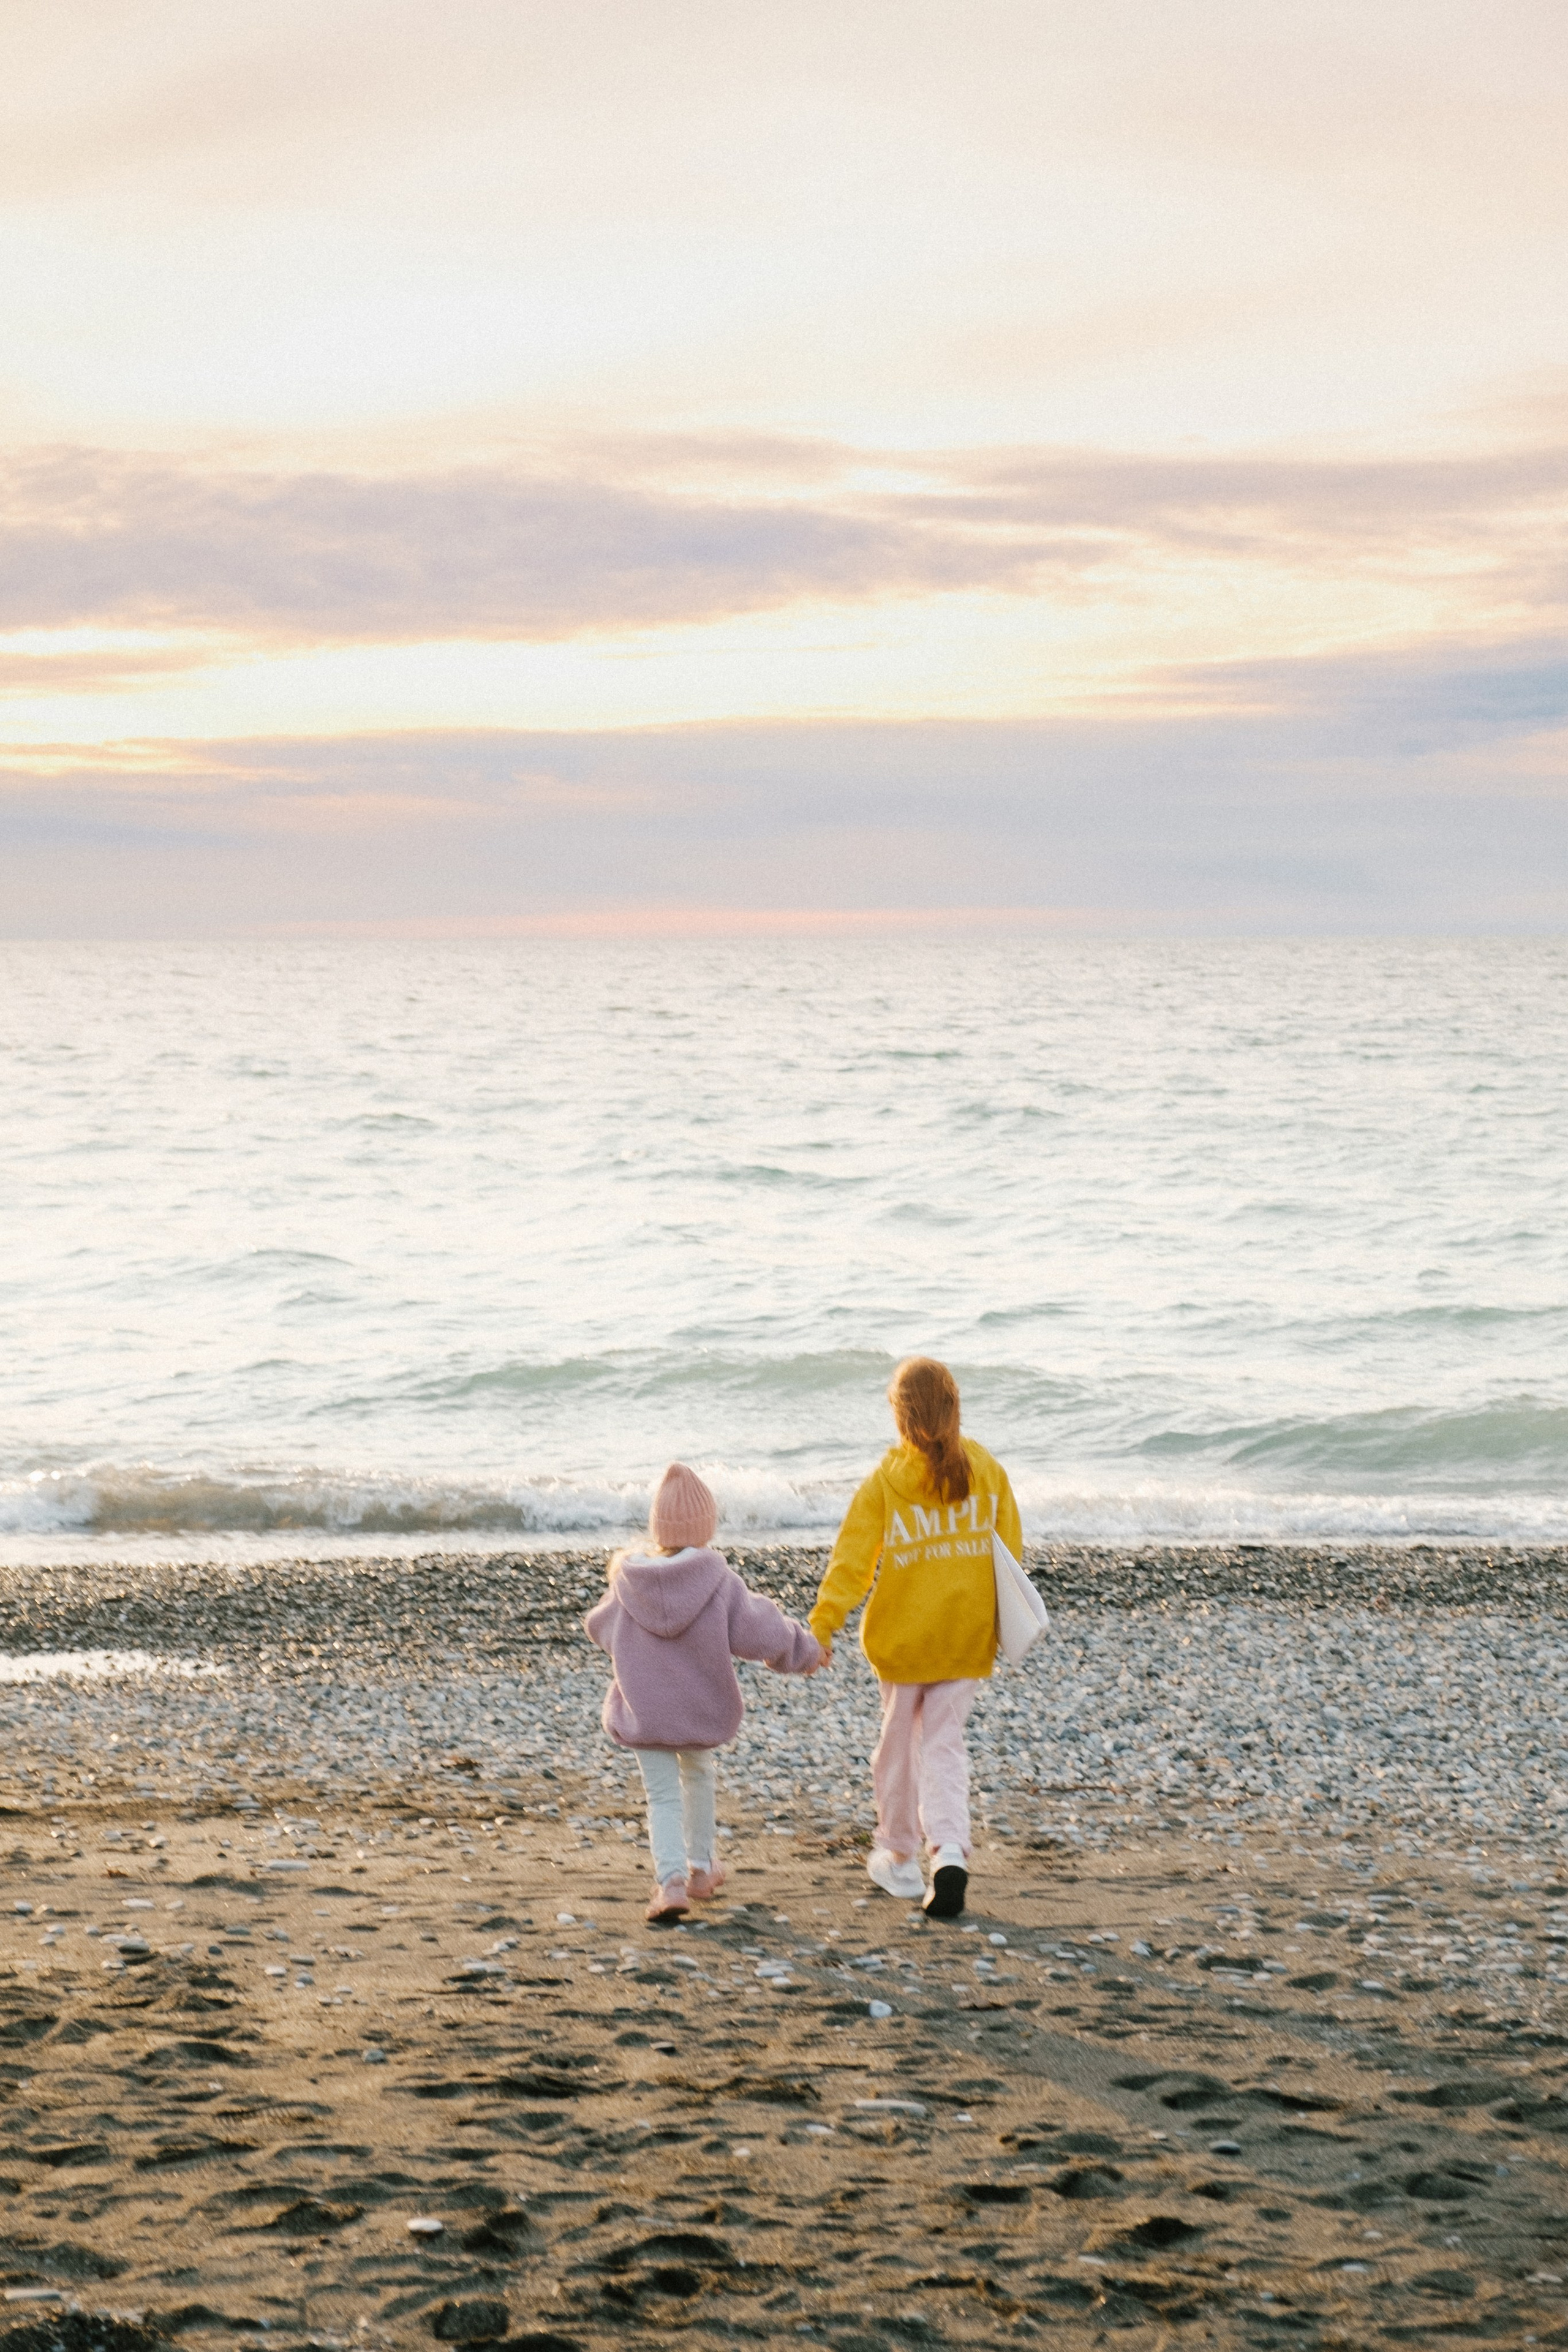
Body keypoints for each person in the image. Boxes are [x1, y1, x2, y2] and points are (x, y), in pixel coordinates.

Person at [809, 1357, 1022, 1918]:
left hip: (903, 1645)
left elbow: (852, 1566)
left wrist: (822, 1626)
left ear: (902, 1419)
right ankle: (949, 1851)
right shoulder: (987, 1470)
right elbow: (1011, 1559)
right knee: (944, 1747)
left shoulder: (886, 1482)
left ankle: (900, 1857)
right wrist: (1001, 1625)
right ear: (954, 1409)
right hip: (965, 1639)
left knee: (897, 1751)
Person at [586, 1461, 824, 1923]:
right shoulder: (719, 1583)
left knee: (662, 1796)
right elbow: (764, 1631)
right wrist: (807, 1651)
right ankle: (702, 1868)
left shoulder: (627, 1581)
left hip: (645, 1713)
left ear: (658, 1527)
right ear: (707, 1528)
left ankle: (671, 1883)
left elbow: (599, 1627)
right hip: (698, 1711)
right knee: (698, 1778)